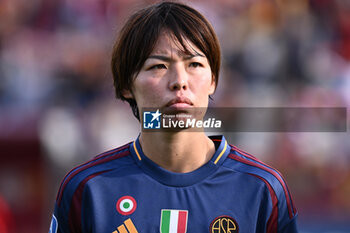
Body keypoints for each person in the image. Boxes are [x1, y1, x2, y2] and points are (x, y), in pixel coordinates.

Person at [49, 1, 298, 233]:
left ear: (213, 81)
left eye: (194, 65)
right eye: (158, 66)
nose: (180, 81)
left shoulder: (262, 189)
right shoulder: (88, 190)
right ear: (126, 85)